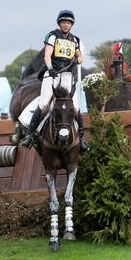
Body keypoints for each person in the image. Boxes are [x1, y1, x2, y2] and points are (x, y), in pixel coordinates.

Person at [21, 9, 88, 152]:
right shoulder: (52, 37)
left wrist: (78, 60)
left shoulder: (74, 40)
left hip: (67, 76)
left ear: (71, 25)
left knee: (75, 107)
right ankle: (30, 135)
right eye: (63, 22)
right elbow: (47, 55)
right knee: (44, 103)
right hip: (52, 74)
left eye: (68, 23)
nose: (65, 25)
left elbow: (80, 56)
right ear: (59, 24)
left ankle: (81, 138)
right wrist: (50, 68)